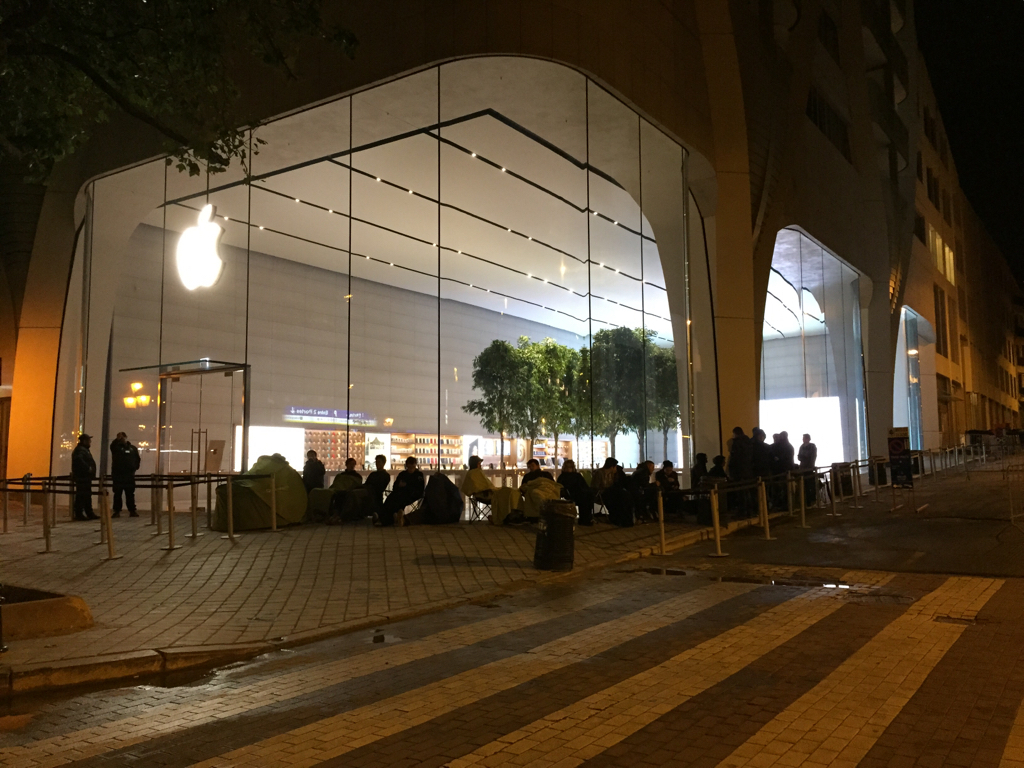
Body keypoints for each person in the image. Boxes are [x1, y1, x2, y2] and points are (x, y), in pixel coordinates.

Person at [381, 456, 425, 526]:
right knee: (390, 499)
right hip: (399, 492)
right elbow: (394, 486)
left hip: (412, 494)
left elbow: (420, 488)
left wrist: (406, 486)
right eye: (409, 467)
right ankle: (388, 517)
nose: (410, 470)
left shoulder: (418, 475)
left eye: (412, 467)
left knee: (399, 499)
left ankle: (393, 517)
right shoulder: (402, 474)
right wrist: (399, 485)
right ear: (407, 466)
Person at [109, 431, 140, 518]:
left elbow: (137, 459)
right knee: (117, 493)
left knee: (130, 493)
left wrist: (134, 468)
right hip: (118, 475)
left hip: (129, 475)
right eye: (120, 438)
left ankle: (132, 510)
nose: (122, 439)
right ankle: (117, 511)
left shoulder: (132, 448)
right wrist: (116, 440)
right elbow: (112, 447)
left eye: (123, 437)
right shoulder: (116, 448)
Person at [557, 459, 594, 525]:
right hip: (573, 494)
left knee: (587, 497)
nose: (569, 469)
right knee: (587, 498)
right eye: (568, 467)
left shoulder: (563, 476)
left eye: (570, 467)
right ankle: (586, 519)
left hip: (576, 493)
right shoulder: (575, 476)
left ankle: (585, 519)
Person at [72, 433, 98, 521]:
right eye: (88, 440)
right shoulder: (81, 450)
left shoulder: (83, 450)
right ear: (84, 441)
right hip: (83, 477)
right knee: (82, 495)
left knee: (86, 495)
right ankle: (80, 514)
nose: (90, 442)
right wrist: (88, 468)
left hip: (85, 477)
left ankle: (89, 512)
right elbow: (79, 460)